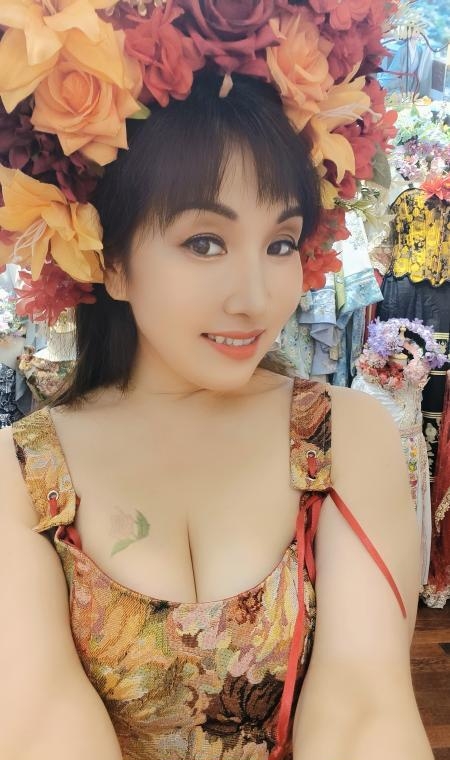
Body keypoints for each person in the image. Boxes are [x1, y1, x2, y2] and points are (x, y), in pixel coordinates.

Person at [0, 4, 433, 759]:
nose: (257, 298)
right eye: (205, 242)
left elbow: (365, 710)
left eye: (280, 243)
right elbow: (40, 728)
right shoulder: (21, 474)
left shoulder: (343, 437)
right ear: (110, 262)